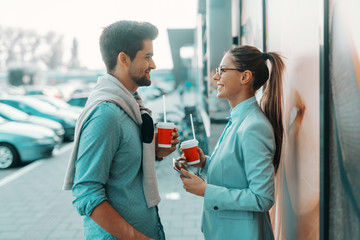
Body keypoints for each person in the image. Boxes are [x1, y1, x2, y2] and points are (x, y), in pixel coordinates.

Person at [62, 20, 180, 240]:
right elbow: (86, 192)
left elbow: (122, 168)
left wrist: (155, 152)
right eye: (147, 56)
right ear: (124, 59)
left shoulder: (132, 104)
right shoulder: (107, 114)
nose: (153, 64)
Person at [177, 45, 285, 240]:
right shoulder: (238, 119)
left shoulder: (253, 126)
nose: (216, 77)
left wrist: (206, 191)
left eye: (222, 70)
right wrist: (204, 163)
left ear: (245, 77)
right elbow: (235, 171)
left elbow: (262, 198)